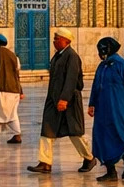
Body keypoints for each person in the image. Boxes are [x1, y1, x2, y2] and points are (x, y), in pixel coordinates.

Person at [27, 27, 91, 175]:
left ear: (65, 41)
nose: (54, 41)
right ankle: (45, 163)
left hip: (68, 100)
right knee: (47, 129)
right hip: (53, 99)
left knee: (74, 132)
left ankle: (89, 158)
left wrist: (64, 99)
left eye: (57, 39)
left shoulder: (72, 56)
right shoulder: (58, 56)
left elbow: (71, 79)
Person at [88, 37, 124, 182]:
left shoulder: (122, 66)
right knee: (103, 137)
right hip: (102, 110)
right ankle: (111, 171)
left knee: (121, 134)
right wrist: (92, 103)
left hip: (119, 109)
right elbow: (96, 86)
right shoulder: (102, 66)